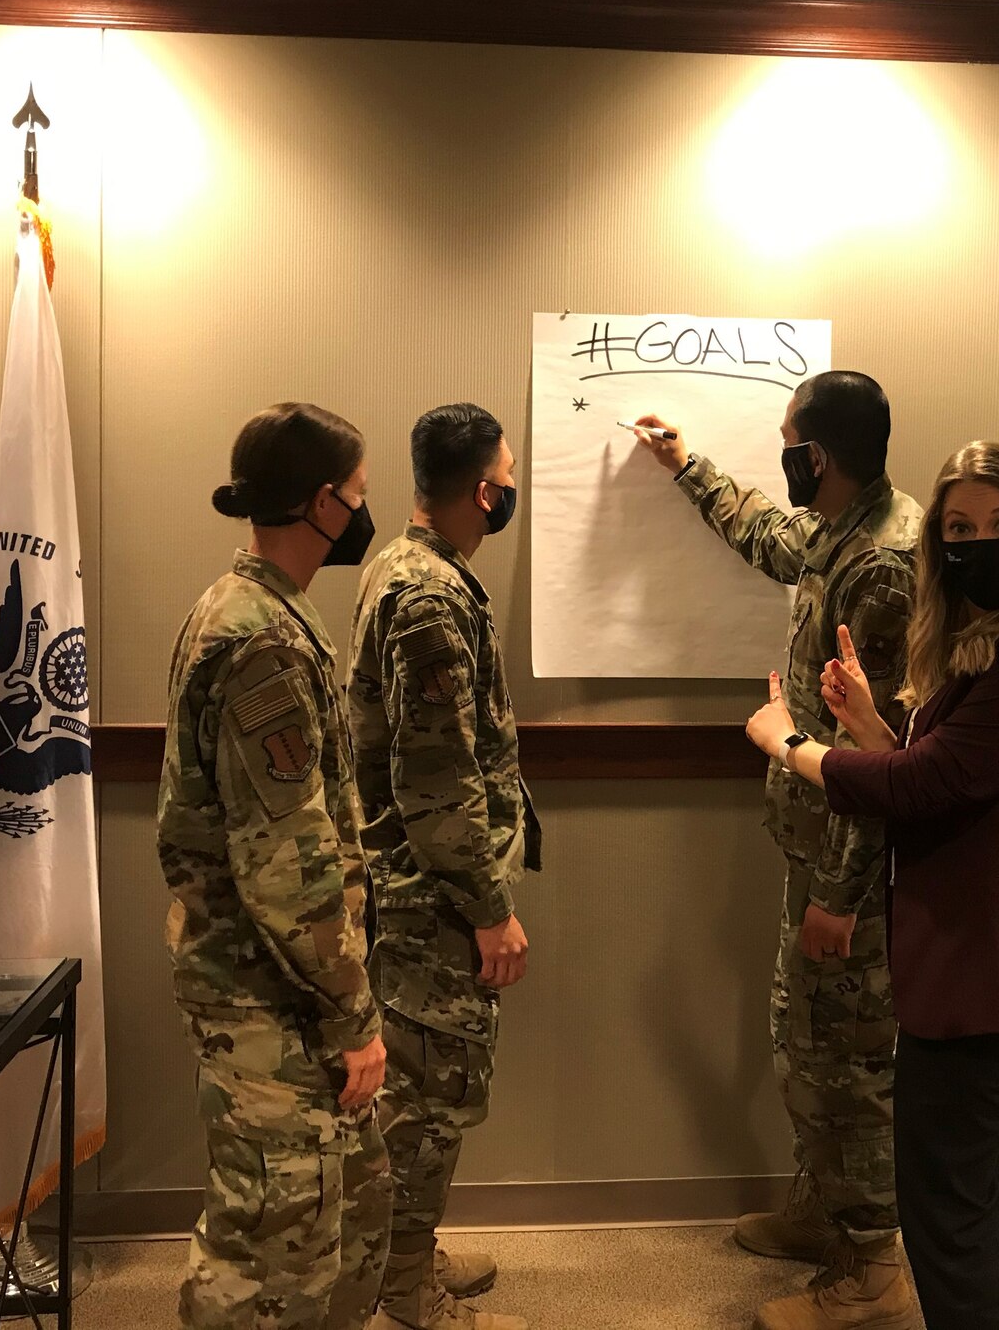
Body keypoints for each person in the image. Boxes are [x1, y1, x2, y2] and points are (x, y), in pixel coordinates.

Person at [744, 439, 999, 1330]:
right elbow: (946, 773)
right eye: (957, 527)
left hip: (998, 962)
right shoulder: (988, 645)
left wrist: (787, 740)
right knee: (967, 1184)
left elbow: (924, 788)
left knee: (945, 1200)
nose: (976, 542)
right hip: (977, 953)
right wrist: (871, 725)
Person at [631, 372, 921, 1330]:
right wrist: (686, 465)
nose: (782, 458)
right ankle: (826, 1210)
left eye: (789, 443)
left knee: (846, 1061)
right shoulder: (845, 530)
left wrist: (839, 895)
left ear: (819, 458)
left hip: (853, 872)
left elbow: (874, 758)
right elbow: (768, 533)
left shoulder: (882, 565)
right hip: (818, 855)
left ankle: (873, 1269)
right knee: (810, 1045)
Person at [158, 402, 392, 1330]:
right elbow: (286, 872)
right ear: (324, 504)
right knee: (269, 1250)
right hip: (270, 995)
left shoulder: (264, 611)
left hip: (286, 988)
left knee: (339, 1210)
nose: (365, 516)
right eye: (361, 497)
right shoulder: (260, 641)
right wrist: (353, 1016)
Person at [348, 403, 540, 1330]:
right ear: (481, 491)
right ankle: (404, 1284)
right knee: (426, 1101)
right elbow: (435, 776)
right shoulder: (425, 596)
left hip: (426, 889)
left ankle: (410, 1250)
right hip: (434, 899)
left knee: (432, 1091)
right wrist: (489, 906)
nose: (510, 490)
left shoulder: (417, 570)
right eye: (507, 477)